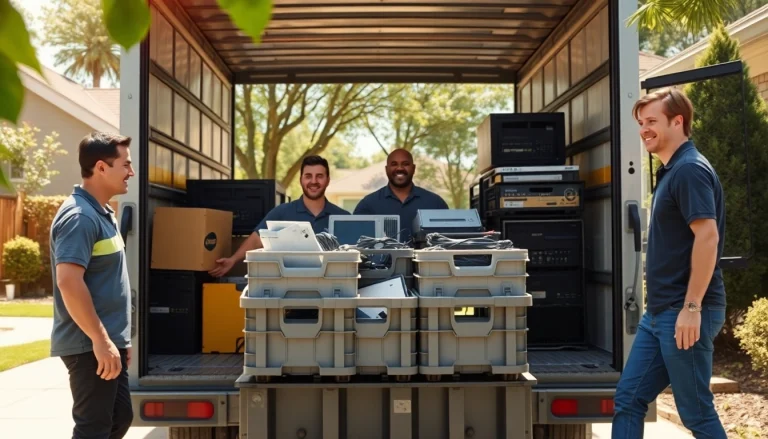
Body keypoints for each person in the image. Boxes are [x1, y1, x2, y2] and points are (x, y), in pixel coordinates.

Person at [612, 88, 727, 438]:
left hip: (685, 311)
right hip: (662, 312)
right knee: (629, 399)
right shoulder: (672, 170)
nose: (644, 129)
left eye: (652, 121)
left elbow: (708, 237)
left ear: (678, 121)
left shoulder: (689, 170)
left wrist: (692, 306)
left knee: (696, 414)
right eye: (641, 123)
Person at [50, 131, 135, 438]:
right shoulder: (79, 217)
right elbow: (68, 282)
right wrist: (101, 341)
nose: (131, 172)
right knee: (94, 429)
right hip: (88, 344)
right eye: (125, 165)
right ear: (101, 168)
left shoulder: (101, 212)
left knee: (119, 418)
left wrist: (118, 340)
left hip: (107, 342)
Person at [209, 155, 349, 277]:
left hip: (332, 294)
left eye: (319, 176)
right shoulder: (281, 213)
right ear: (301, 180)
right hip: (289, 292)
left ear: (328, 180)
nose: (313, 181)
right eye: (308, 176)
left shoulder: (343, 217)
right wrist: (233, 260)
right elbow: (257, 240)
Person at [353, 148, 448, 244]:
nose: (399, 168)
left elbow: (448, 244)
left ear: (414, 168)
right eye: (394, 164)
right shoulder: (368, 205)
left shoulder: (435, 203)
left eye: (405, 164)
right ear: (386, 169)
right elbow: (356, 244)